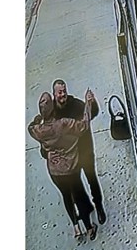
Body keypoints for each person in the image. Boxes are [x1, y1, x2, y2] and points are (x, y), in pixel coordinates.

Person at [28, 90, 97, 241]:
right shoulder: (63, 124)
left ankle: (76, 228)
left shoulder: (38, 130)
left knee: (66, 196)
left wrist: (38, 118)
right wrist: (88, 104)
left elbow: (30, 127)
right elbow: (84, 124)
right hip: (70, 168)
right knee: (78, 197)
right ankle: (90, 228)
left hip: (54, 171)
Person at [52, 79, 106, 225]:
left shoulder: (76, 105)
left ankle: (99, 206)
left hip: (84, 151)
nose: (62, 95)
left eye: (64, 91)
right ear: (54, 94)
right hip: (68, 157)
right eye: (59, 92)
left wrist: (92, 102)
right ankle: (86, 210)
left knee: (91, 179)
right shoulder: (52, 112)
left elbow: (92, 114)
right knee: (76, 187)